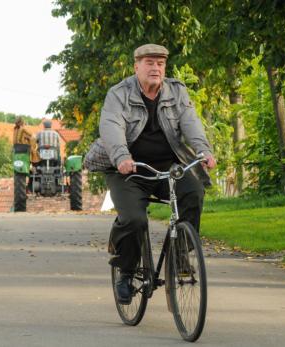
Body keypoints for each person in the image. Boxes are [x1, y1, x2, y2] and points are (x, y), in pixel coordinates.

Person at [91, 43, 216, 304]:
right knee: (135, 220)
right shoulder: (118, 94)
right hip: (128, 169)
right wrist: (122, 157)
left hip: (168, 167)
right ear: (136, 66)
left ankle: (180, 255)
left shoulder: (176, 91)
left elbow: (191, 122)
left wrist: (203, 150)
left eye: (160, 63)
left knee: (193, 193)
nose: (155, 68)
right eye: (149, 63)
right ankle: (125, 272)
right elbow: (111, 127)